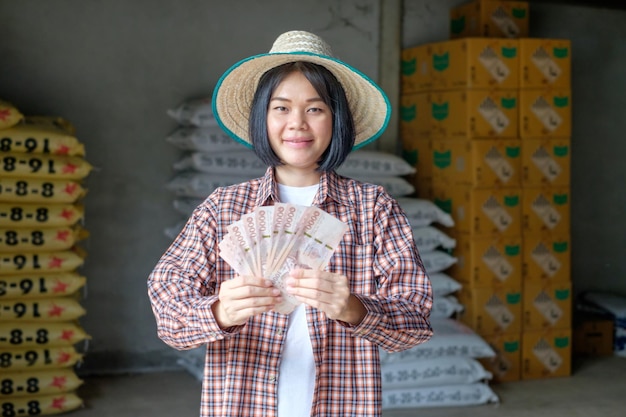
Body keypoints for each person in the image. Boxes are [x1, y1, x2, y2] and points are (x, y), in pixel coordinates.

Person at [148, 30, 433, 417]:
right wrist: (220, 313)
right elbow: (167, 303)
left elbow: (415, 318)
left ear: (337, 120)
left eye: (315, 109)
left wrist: (353, 308)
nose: (297, 123)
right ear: (262, 118)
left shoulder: (373, 209)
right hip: (242, 405)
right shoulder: (223, 208)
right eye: (281, 108)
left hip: (343, 406)